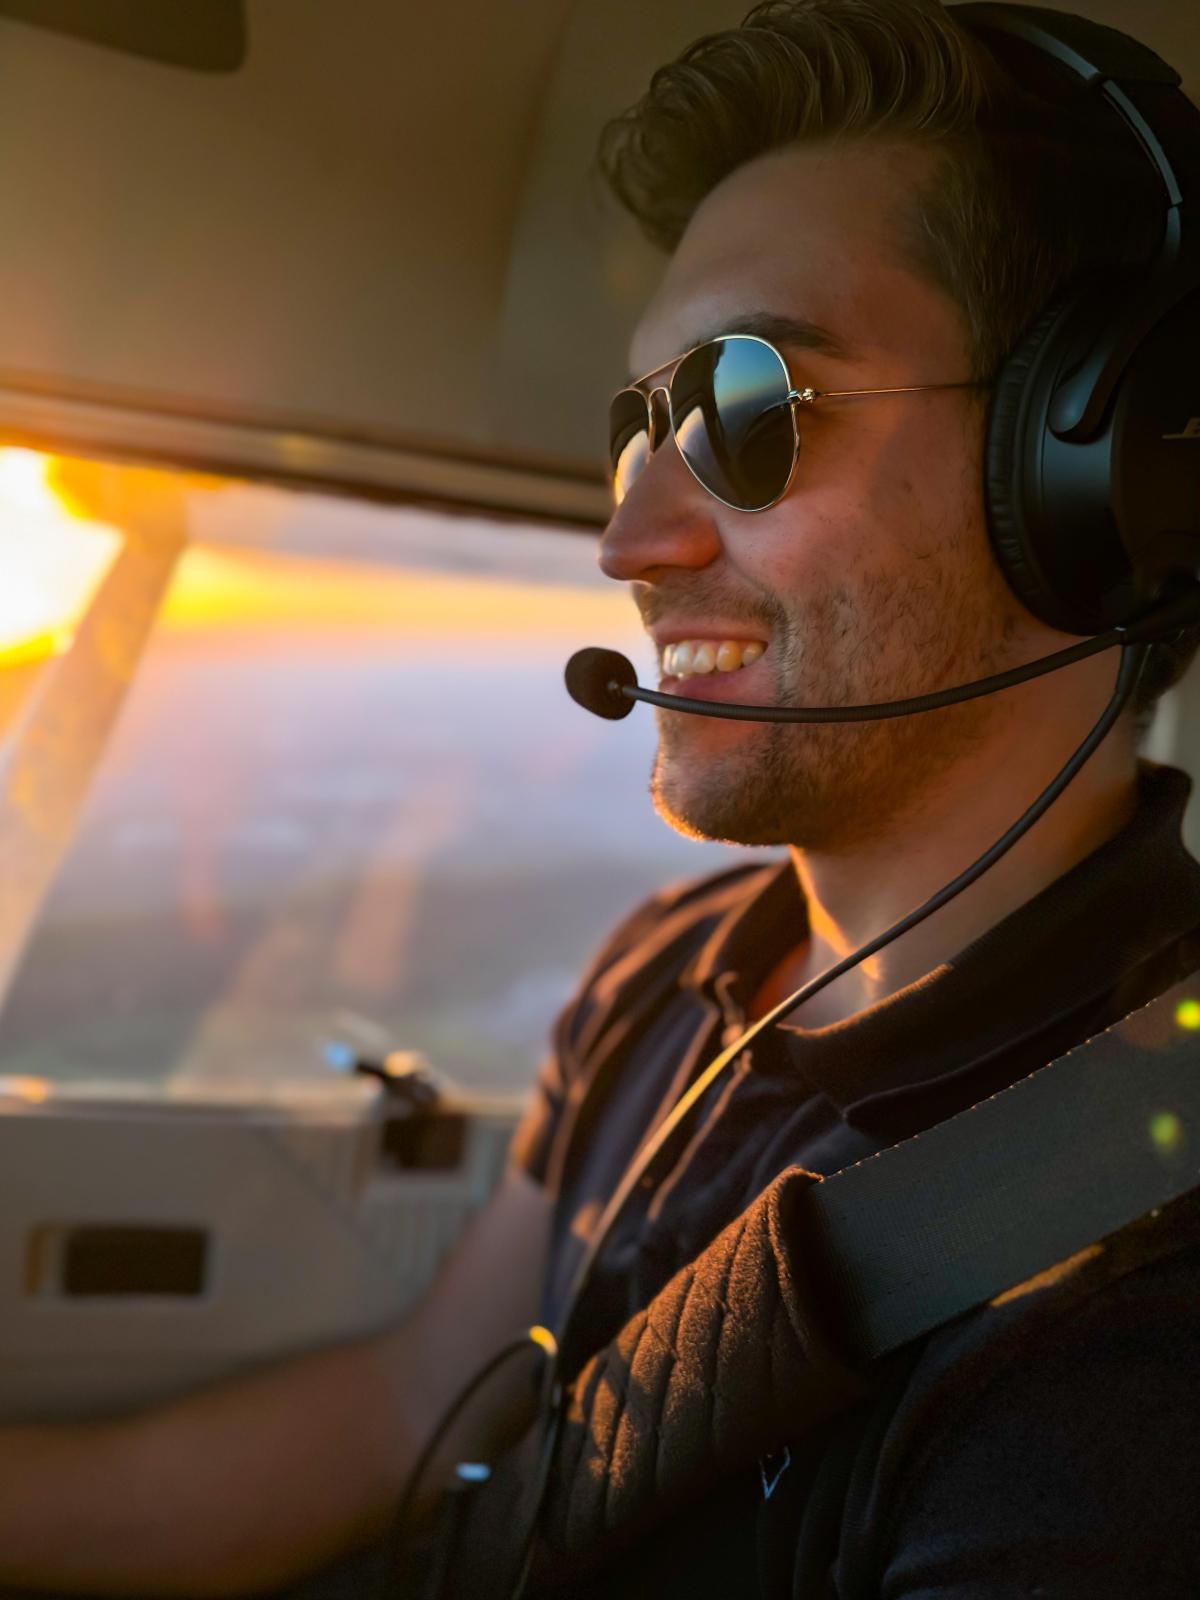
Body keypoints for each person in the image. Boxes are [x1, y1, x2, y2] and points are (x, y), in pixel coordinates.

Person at [2, 0, 1199, 1594]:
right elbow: (407, 1407)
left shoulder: (1123, 1336)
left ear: (1088, 469)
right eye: (638, 426)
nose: (631, 543)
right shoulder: (676, 961)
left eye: (749, 406)